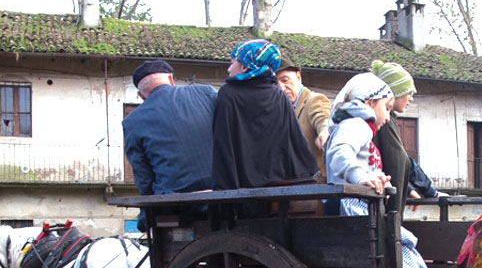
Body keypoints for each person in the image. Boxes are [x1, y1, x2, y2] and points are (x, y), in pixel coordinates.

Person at [325, 72, 434, 268]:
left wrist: (372, 178)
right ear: (371, 102)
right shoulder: (356, 124)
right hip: (355, 212)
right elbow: (340, 155)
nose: (387, 116)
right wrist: (363, 177)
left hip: (364, 208)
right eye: (386, 107)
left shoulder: (358, 124)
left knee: (411, 263)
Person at [212, 38, 318, 215]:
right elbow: (294, 146)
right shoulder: (278, 96)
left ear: (245, 66)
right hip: (278, 196)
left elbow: (223, 146)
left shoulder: (228, 95)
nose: (229, 69)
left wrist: (223, 193)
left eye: (232, 62)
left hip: (242, 196)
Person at [122, 59, 218, 232]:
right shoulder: (206, 93)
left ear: (141, 96)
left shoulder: (132, 122)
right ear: (171, 79)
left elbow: (144, 177)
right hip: (223, 196)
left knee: (146, 219)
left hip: (177, 206)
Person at [370, 60, 443, 215]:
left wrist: (408, 189)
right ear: (395, 92)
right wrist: (431, 191)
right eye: (407, 92)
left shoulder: (383, 120)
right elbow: (399, 161)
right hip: (381, 212)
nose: (411, 98)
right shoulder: (384, 122)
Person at [275, 54, 332, 181]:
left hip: (315, 189)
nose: (281, 87)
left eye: (285, 80)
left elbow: (323, 118)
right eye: (275, 83)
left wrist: (324, 132)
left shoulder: (314, 100)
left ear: (298, 77)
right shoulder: (277, 110)